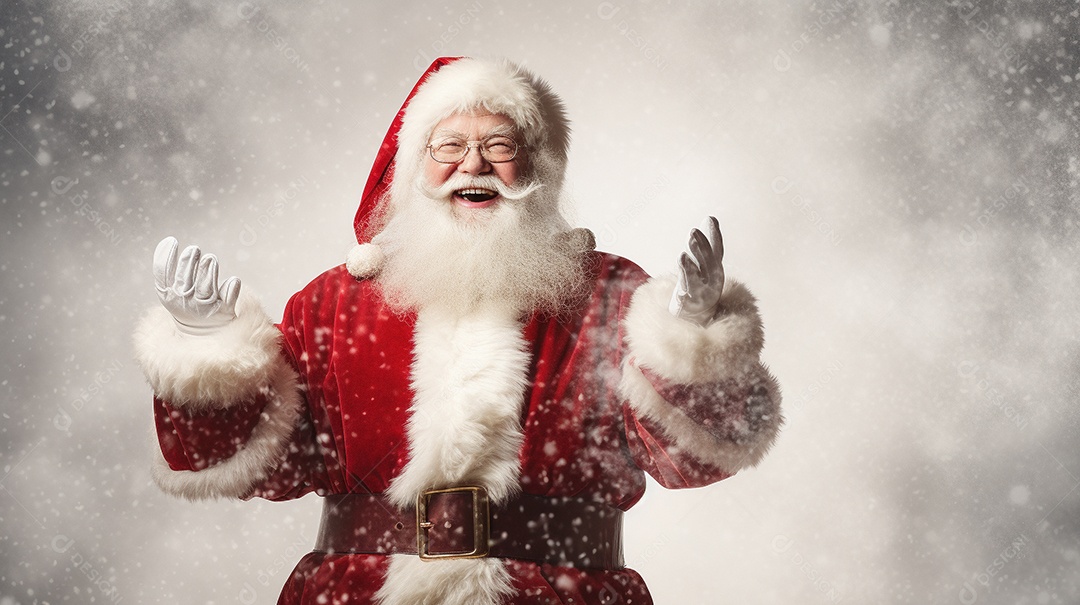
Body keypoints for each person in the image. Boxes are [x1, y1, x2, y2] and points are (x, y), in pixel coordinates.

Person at [134, 56, 782, 605]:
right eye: (449, 147)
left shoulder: (609, 296)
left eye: (500, 147)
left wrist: (692, 342)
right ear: (414, 166)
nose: (473, 165)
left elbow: (693, 456)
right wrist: (210, 347)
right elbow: (265, 466)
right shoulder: (334, 303)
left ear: (536, 169)